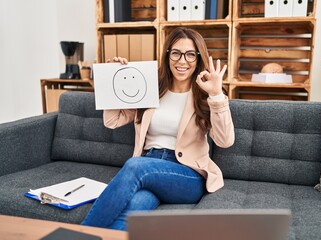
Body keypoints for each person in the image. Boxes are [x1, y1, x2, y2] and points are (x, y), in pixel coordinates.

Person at [81, 27, 235, 231]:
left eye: (190, 54)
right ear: (167, 55)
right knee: (134, 207)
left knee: (135, 166)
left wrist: (216, 94)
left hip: (187, 175)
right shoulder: (151, 88)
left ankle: (77, 234)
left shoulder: (204, 95)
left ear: (198, 58)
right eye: (176, 53)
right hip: (149, 168)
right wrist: (112, 78)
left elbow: (225, 141)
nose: (182, 61)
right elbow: (113, 121)